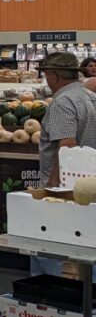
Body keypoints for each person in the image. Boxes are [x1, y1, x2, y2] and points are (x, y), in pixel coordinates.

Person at [34, 52, 96, 279]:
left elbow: (66, 146)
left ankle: (50, 291)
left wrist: (53, 188)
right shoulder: (90, 97)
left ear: (53, 76)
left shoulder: (62, 102)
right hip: (89, 183)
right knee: (88, 243)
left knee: (47, 242)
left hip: (66, 186)